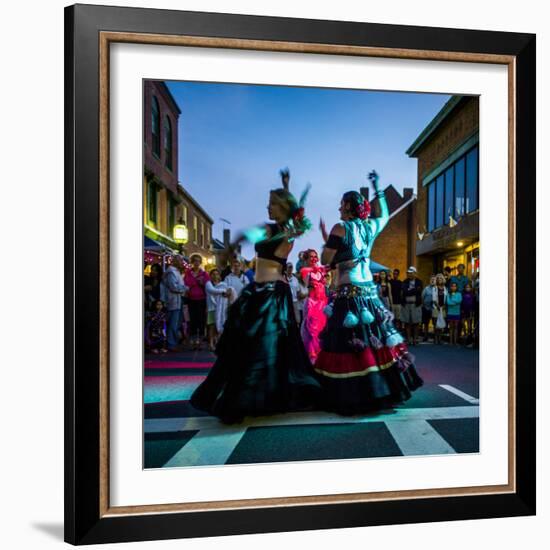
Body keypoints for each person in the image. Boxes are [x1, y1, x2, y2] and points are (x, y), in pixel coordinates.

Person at [190, 169, 321, 422]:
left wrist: (287, 188)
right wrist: (230, 246)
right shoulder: (272, 229)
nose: (268, 207)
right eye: (268, 203)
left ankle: (260, 396)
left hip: (272, 295)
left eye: (272, 203)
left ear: (283, 207)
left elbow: (284, 223)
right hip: (259, 292)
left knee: (266, 346)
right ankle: (252, 394)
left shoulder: (282, 232)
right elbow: (247, 235)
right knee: (249, 345)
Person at [315, 170, 422, 415]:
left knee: (349, 344)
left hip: (348, 292)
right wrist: (378, 187)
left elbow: (325, 258)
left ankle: (355, 393)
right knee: (376, 341)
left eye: (342, 204)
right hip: (369, 293)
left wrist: (332, 250)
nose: (339, 208)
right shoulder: (370, 227)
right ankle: (384, 389)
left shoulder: (340, 228)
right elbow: (383, 213)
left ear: (350, 207)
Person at [300, 249, 330, 363]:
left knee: (323, 329)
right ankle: (312, 358)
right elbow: (307, 270)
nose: (313, 259)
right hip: (312, 304)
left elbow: (329, 268)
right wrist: (321, 268)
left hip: (322, 303)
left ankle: (322, 355)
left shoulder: (321, 271)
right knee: (312, 331)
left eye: (315, 256)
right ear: (306, 259)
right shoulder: (305, 271)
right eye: (311, 257)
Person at [183, 254, 210, 350]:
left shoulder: (204, 274)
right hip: (191, 300)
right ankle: (194, 341)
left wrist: (201, 283)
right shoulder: (188, 273)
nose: (196, 263)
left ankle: (200, 341)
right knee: (193, 320)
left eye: (198, 261)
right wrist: (194, 283)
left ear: (200, 262)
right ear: (192, 262)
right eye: (195, 261)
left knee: (201, 320)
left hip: (202, 300)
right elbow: (186, 284)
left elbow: (208, 287)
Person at [162, 255, 188, 351]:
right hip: (173, 301)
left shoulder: (176, 271)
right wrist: (185, 289)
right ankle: (171, 344)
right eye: (181, 260)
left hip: (178, 300)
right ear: (175, 261)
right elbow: (173, 287)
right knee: (173, 323)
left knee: (177, 322)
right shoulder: (171, 272)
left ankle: (173, 342)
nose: (182, 262)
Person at [205, 268, 235, 352]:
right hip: (212, 308)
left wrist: (228, 292)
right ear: (210, 275)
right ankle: (211, 344)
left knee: (219, 325)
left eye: (217, 274)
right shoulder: (208, 283)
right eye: (213, 274)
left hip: (221, 308)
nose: (215, 276)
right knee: (212, 326)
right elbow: (212, 291)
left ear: (219, 275)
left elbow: (229, 292)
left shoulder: (223, 284)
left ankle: (217, 343)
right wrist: (224, 291)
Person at [400, 266, 423, 346]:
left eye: (411, 273)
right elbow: (405, 292)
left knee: (416, 322)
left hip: (415, 304)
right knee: (407, 323)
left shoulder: (419, 282)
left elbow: (418, 291)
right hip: (406, 305)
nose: (409, 274)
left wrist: (409, 291)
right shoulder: (405, 281)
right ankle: (408, 339)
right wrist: (412, 291)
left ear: (415, 273)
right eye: (408, 273)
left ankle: (415, 339)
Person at [432, 273, 448, 345]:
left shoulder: (445, 288)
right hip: (436, 307)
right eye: (438, 279)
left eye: (441, 278)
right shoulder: (434, 288)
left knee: (441, 324)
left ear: (443, 280)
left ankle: (440, 339)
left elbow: (447, 298)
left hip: (443, 308)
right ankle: (435, 338)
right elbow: (433, 299)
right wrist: (438, 306)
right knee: (435, 324)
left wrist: (444, 305)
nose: (439, 280)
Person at [421, 275, 437, 342]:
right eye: (431, 279)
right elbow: (422, 297)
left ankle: (435, 337)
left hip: (434, 308)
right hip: (426, 308)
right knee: (426, 323)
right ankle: (425, 336)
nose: (433, 281)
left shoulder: (437, 289)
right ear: (429, 280)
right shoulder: (426, 288)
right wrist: (424, 306)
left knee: (435, 323)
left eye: (434, 279)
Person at [446, 281, 462, 345]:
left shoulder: (459, 294)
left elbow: (459, 301)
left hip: (457, 313)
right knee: (451, 328)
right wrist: (455, 302)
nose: (453, 287)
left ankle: (455, 341)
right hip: (450, 313)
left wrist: (452, 300)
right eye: (452, 286)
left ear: (456, 287)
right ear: (450, 287)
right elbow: (448, 302)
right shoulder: (448, 294)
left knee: (456, 327)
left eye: (455, 286)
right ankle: (450, 341)